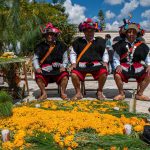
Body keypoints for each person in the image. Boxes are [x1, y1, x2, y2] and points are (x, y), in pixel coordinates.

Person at [69, 18, 109, 100]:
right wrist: (73, 63)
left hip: (96, 65)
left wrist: (105, 62)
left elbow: (105, 53)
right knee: (73, 74)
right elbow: (73, 53)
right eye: (87, 30)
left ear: (94, 31)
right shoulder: (78, 42)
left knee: (104, 72)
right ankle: (78, 93)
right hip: (81, 65)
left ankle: (100, 91)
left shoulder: (100, 41)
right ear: (84, 31)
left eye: (91, 30)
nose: (89, 32)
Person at [113, 20, 150, 101]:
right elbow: (115, 57)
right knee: (117, 74)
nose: (131, 34)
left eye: (134, 32)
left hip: (138, 67)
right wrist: (118, 65)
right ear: (126, 33)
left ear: (137, 34)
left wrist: (149, 65)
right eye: (129, 32)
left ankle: (139, 94)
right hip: (123, 66)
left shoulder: (142, 45)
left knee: (149, 73)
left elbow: (147, 57)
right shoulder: (119, 44)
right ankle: (121, 94)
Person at [33, 22, 69, 100]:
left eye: (51, 34)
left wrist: (64, 66)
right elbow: (35, 58)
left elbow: (65, 58)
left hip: (58, 69)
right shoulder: (39, 46)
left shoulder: (62, 45)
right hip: (44, 70)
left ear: (55, 35)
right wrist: (37, 68)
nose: (49, 36)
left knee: (65, 76)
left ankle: (63, 93)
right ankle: (44, 93)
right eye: (47, 34)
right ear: (45, 36)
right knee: (38, 76)